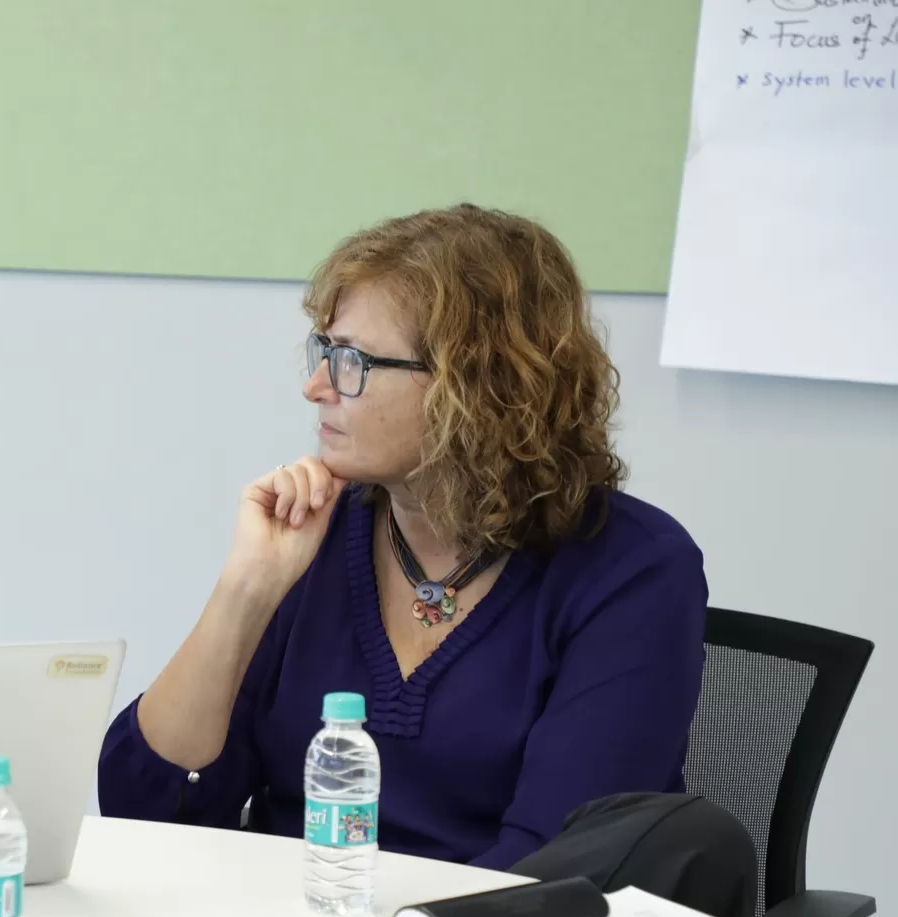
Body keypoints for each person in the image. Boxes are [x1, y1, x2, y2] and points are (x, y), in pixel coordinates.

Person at [98, 205, 708, 870]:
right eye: (324, 352)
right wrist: (247, 588)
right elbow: (145, 809)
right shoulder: (317, 534)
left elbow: (552, 868)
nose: (315, 386)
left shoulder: (633, 569)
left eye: (353, 361)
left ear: (478, 384)